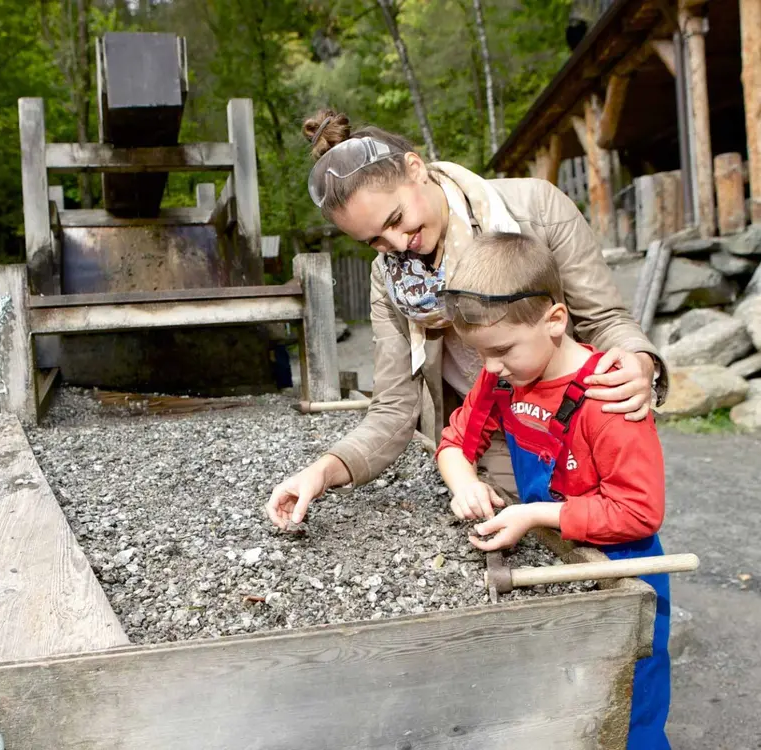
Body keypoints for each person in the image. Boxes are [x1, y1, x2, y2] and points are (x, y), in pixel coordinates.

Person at [266, 109, 667, 531]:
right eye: (375, 241)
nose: (399, 244)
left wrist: (639, 359)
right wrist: (323, 472)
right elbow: (393, 408)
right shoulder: (387, 276)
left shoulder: (537, 208)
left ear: (415, 169)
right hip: (487, 433)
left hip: (575, 427)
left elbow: (604, 318)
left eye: (397, 220)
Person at [435, 231, 669, 749]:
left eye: (502, 351)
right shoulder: (502, 379)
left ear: (555, 320)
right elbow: (453, 442)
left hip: (622, 568)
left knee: (629, 705)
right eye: (481, 355)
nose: (490, 368)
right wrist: (465, 483)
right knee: (562, 706)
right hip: (559, 554)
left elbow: (639, 511)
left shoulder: (608, 400)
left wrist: (535, 515)